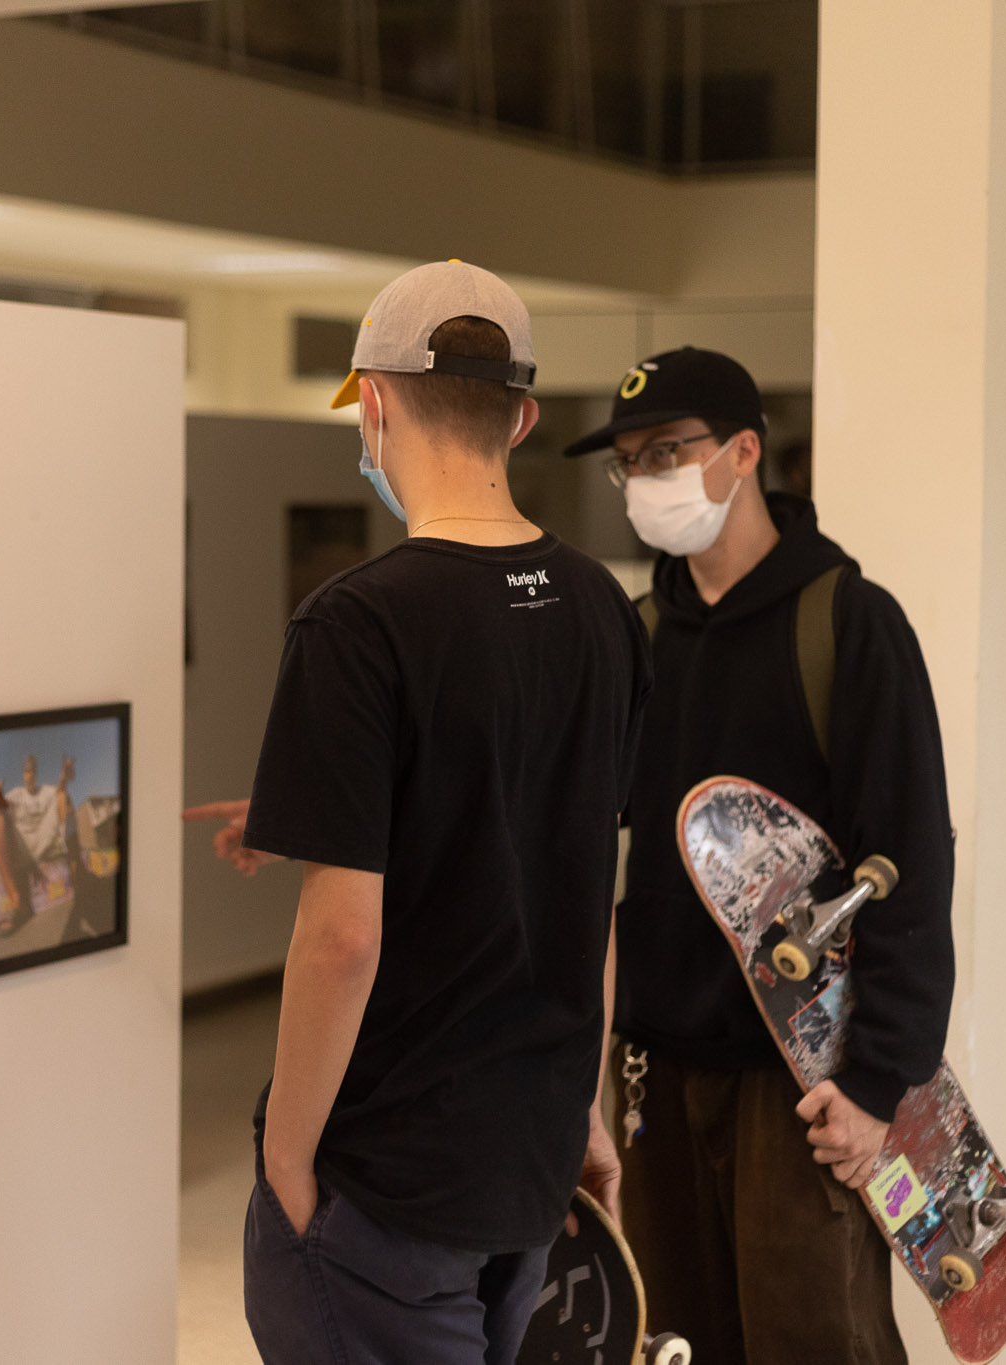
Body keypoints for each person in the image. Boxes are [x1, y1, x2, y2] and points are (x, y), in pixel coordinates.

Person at [221, 261, 651, 1365]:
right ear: (522, 415)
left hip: (387, 1185)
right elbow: (584, 893)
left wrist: (287, 1158)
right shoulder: (603, 613)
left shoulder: (357, 624)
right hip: (527, 1168)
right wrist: (582, 1111)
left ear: (371, 401)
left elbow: (343, 936)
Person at [566, 346, 955, 1365]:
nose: (643, 479)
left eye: (666, 451)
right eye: (626, 462)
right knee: (672, 1344)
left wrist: (877, 1086)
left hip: (803, 1084)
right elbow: (564, 839)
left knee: (813, 1344)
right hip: (653, 1073)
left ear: (743, 451)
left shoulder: (849, 626)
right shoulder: (633, 639)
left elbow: (909, 860)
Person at [0, 754, 74, 934]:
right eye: (27, 771)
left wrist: (64, 778)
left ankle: (75, 870)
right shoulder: (16, 794)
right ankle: (16, 901)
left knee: (62, 796)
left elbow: (59, 790)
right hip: (21, 851)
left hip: (44, 845)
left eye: (33, 771)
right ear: (23, 775)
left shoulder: (46, 791)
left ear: (37, 774)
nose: (30, 775)